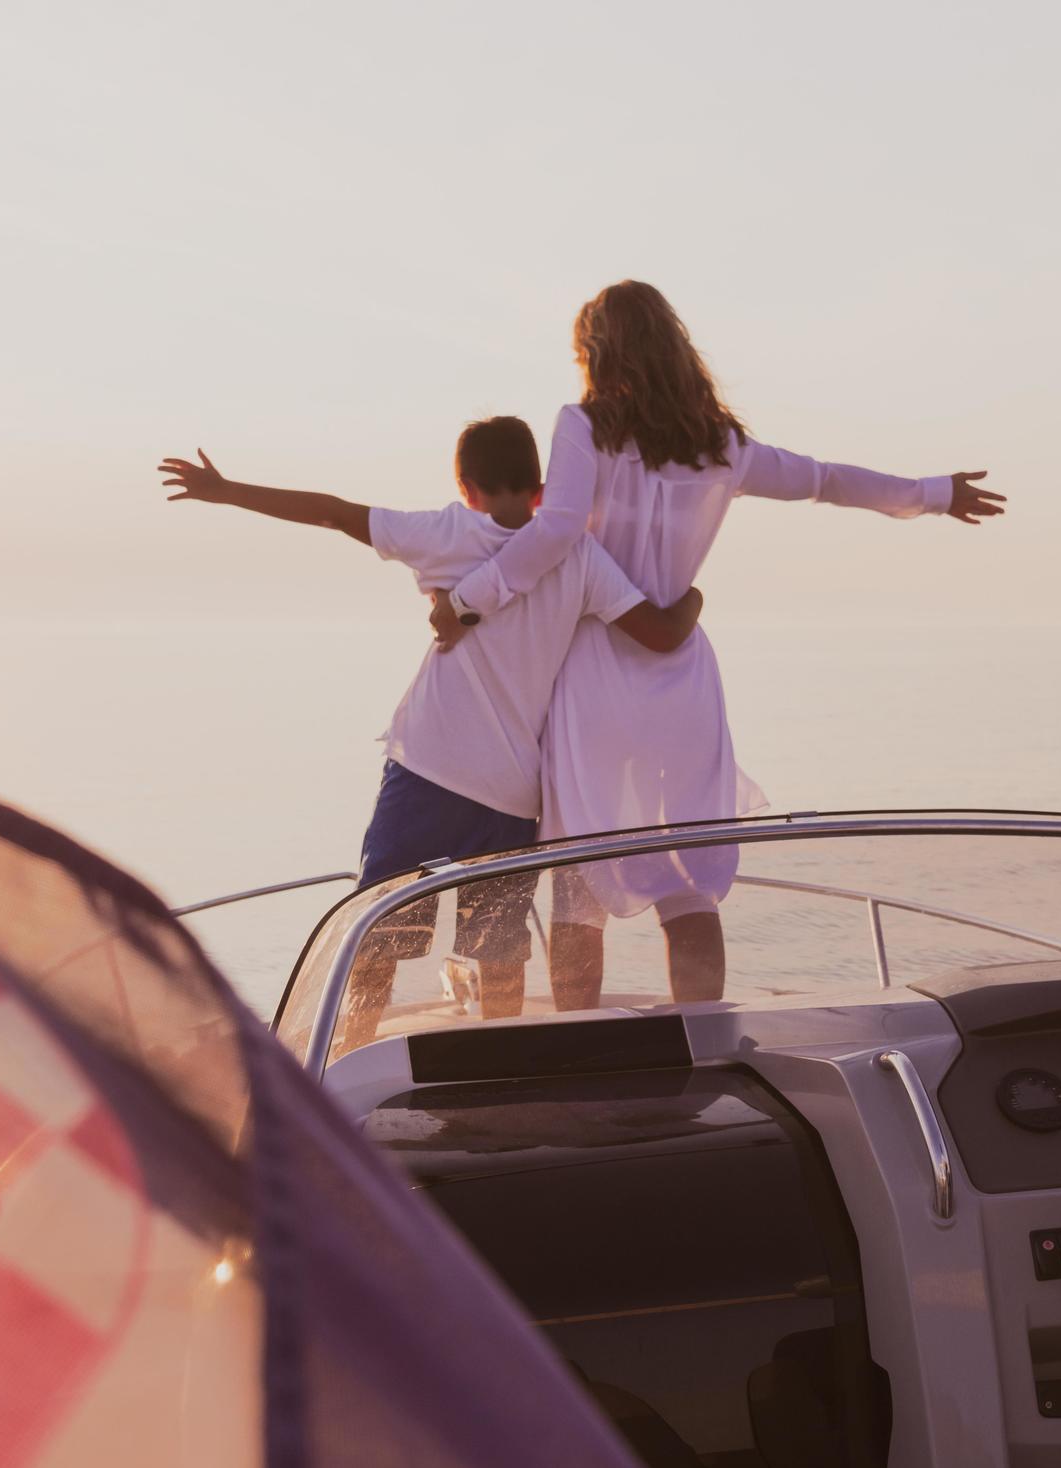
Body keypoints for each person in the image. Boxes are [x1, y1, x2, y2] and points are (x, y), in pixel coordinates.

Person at [426, 281, 1003, 1009]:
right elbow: (823, 481)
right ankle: (702, 1043)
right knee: (688, 880)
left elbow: (554, 530)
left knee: (580, 882)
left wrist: (467, 602)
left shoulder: (585, 426)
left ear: (598, 353)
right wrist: (932, 493)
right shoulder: (720, 445)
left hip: (597, 668)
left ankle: (577, 1049)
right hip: (681, 675)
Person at [161, 417, 701, 1047]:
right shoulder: (577, 556)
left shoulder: (446, 531)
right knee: (500, 954)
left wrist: (227, 491)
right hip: (509, 797)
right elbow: (663, 633)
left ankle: (348, 1060)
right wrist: (692, 597)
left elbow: (334, 513)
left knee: (380, 941)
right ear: (539, 487)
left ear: (465, 485)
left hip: (427, 772)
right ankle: (504, 1067)